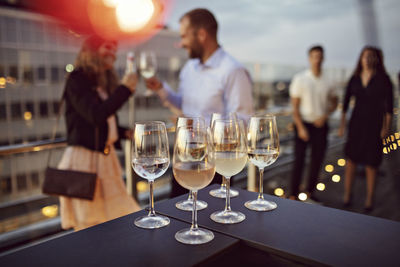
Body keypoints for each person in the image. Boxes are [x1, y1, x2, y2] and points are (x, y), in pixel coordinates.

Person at [145, 8, 253, 197]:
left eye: (184, 36)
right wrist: (161, 89)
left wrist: (198, 129)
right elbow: (184, 104)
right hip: (184, 156)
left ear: (202, 34)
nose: (181, 43)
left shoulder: (233, 70)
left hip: (215, 164)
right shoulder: (189, 68)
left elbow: (242, 121)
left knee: (210, 220)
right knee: (179, 215)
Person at [58, 35, 141, 231]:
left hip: (104, 158)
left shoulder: (98, 84)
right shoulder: (77, 79)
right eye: (108, 46)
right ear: (92, 50)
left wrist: (123, 133)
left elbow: (102, 122)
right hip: (84, 160)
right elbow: (95, 115)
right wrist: (125, 89)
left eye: (114, 48)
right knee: (88, 222)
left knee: (113, 218)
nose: (112, 52)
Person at [338, 46, 393, 211]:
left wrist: (386, 128)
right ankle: (347, 195)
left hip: (374, 126)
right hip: (356, 125)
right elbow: (345, 104)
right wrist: (342, 127)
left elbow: (389, 108)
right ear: (360, 58)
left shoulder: (384, 79)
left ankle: (370, 198)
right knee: (351, 160)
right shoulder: (354, 78)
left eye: (371, 56)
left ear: (377, 59)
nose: (367, 59)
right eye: (365, 56)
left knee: (372, 163)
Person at [289, 45, 338, 202]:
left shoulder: (329, 81)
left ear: (323, 58)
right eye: (314, 56)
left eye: (319, 56)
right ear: (309, 58)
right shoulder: (300, 79)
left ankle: (310, 193)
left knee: (317, 161)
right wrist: (301, 128)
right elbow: (294, 108)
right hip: (303, 124)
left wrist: (326, 115)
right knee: (299, 160)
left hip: (321, 125)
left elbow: (335, 102)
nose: (317, 59)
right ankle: (292, 194)